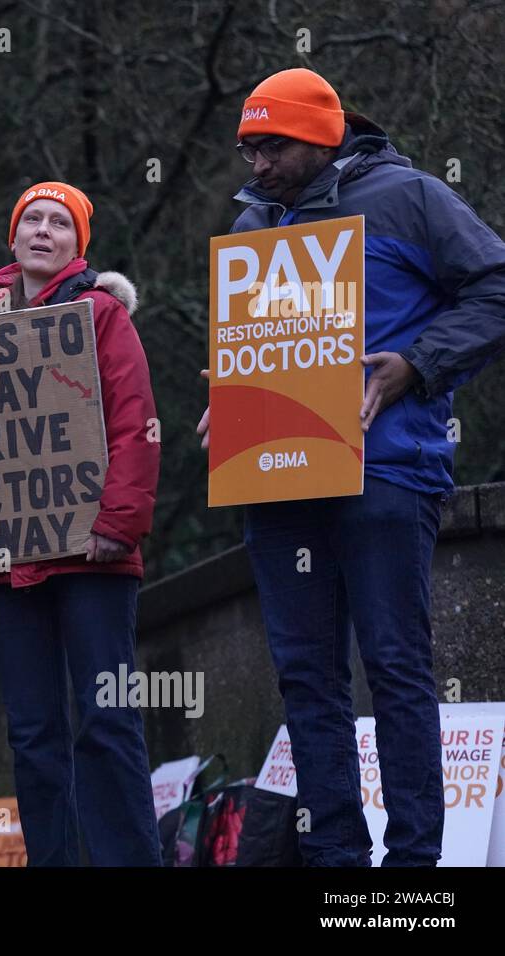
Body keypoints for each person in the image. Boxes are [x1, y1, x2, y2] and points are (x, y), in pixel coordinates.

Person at [197, 68, 505, 865]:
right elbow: (262, 348)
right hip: (276, 475)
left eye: (272, 146)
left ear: (322, 135)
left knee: (396, 666)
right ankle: (336, 862)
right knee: (305, 678)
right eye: (248, 148)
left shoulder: (411, 197)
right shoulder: (248, 226)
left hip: (386, 467)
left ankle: (411, 871)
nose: (256, 163)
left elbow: (496, 286)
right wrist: (232, 398)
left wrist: (415, 364)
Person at [0, 182, 163, 866]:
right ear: (12, 238)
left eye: (59, 223)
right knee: (32, 734)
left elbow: (136, 423)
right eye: (32, 220)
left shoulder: (103, 316)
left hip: (93, 557)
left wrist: (118, 521)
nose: (43, 231)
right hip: (4, 563)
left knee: (107, 724)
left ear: (80, 244)